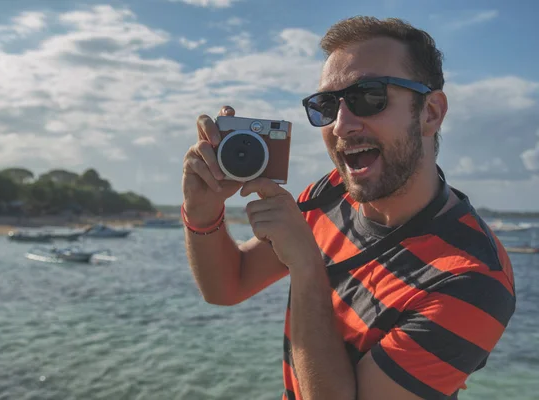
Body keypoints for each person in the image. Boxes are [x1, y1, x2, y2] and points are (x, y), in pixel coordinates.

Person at [181, 16, 516, 400]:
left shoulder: (474, 281)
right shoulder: (333, 191)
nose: (341, 125)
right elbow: (228, 286)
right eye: (326, 105)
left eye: (368, 97)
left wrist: (307, 267)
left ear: (431, 112)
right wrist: (203, 211)